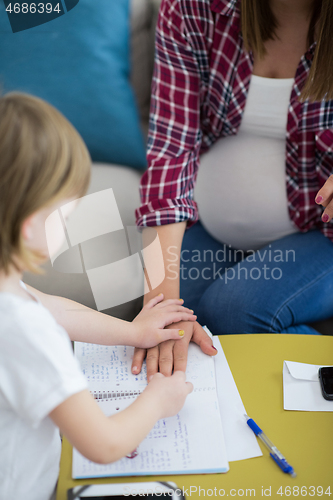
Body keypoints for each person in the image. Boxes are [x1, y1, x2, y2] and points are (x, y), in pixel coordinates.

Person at [0, 93, 196, 500]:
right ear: (31, 225)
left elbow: (54, 308)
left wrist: (132, 332)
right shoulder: (24, 331)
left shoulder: (10, 292)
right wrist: (159, 400)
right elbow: (103, 444)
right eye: (66, 216)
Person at [133, 0, 333, 378]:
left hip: (321, 232)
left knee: (232, 312)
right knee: (170, 322)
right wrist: (161, 306)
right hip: (209, 227)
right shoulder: (194, 8)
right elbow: (171, 150)